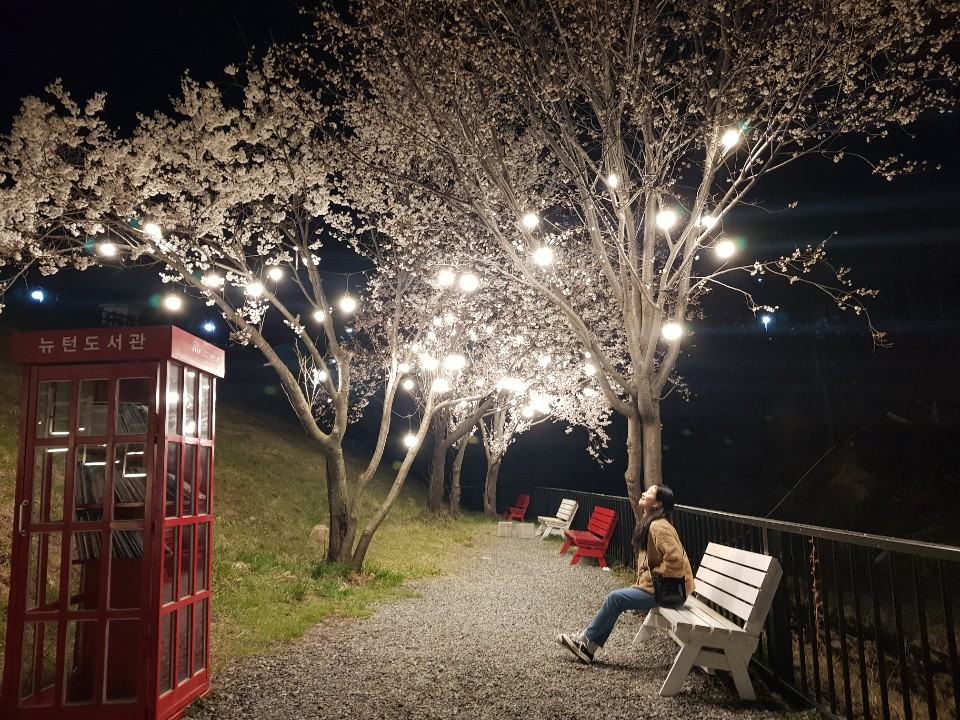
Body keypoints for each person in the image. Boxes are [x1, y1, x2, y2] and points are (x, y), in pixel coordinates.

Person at [557, 484, 694, 664]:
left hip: (668, 592)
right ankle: (588, 650)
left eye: (649, 492)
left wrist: (655, 574)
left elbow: (676, 560)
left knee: (616, 598)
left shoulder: (659, 527)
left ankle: (584, 639)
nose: (644, 493)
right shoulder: (651, 522)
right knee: (616, 600)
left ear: (657, 504)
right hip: (661, 589)